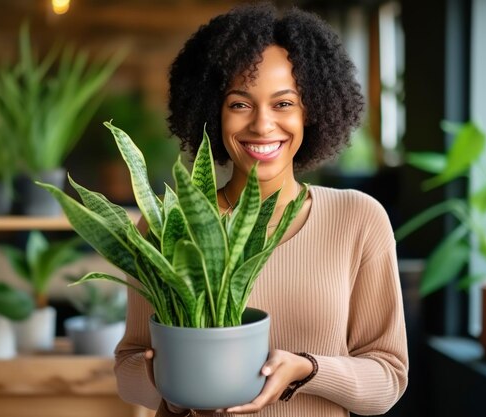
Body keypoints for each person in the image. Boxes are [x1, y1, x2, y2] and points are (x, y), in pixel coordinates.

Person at [114, 3, 408, 417]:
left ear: (313, 110)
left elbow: (388, 378)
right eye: (240, 104)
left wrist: (308, 370)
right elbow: (128, 365)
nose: (262, 125)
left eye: (284, 103)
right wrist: (176, 388)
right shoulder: (171, 224)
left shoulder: (358, 219)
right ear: (212, 112)